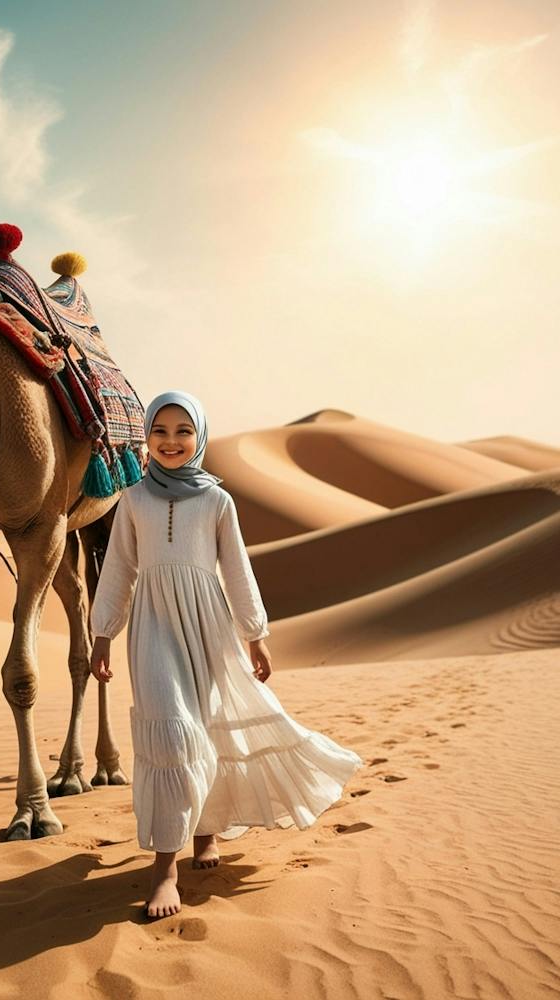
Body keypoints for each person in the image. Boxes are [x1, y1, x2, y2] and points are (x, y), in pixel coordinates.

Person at [89, 390, 363, 920]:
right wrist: (102, 632)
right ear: (145, 436)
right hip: (153, 626)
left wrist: (254, 634)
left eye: (183, 431)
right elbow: (119, 567)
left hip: (208, 625)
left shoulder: (218, 502)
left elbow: (237, 569)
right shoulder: (133, 500)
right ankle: (164, 869)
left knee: (208, 728)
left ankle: (206, 830)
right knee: (171, 732)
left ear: (199, 437)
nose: (171, 441)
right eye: (160, 430)